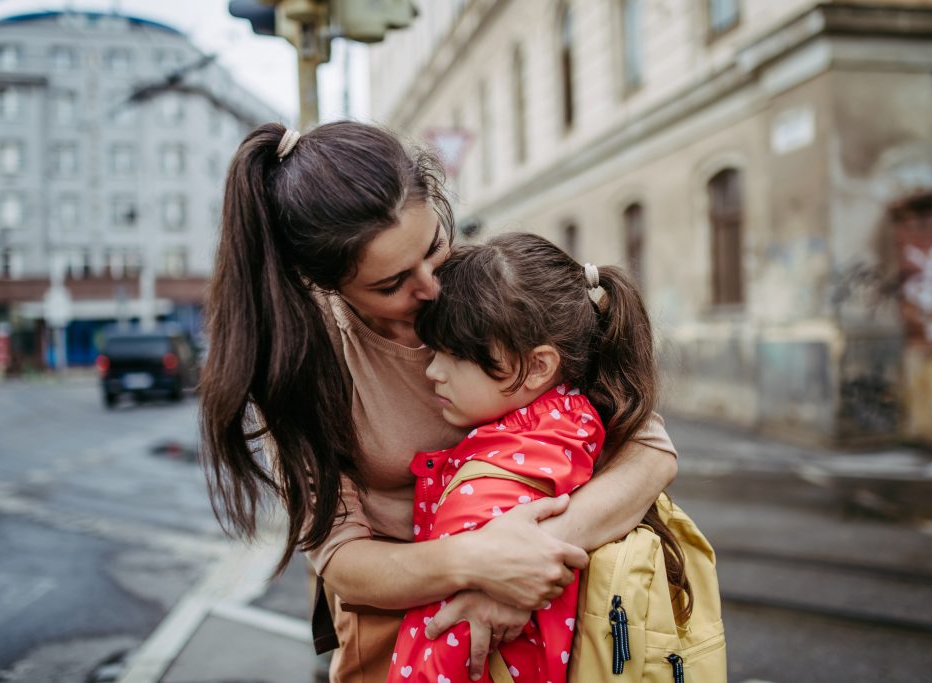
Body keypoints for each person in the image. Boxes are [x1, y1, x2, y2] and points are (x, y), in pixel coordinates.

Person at [198, 122, 678, 683]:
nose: (430, 287)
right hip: (405, 640)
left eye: (433, 249)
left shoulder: (489, 292)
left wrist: (525, 566)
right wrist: (477, 565)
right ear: (324, 282)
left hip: (558, 618)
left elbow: (649, 450)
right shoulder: (301, 364)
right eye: (392, 282)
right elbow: (344, 561)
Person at [387, 234, 691, 683]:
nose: (432, 371)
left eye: (452, 354)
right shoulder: (575, 422)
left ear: (539, 366)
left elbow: (451, 634)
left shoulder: (508, 468)